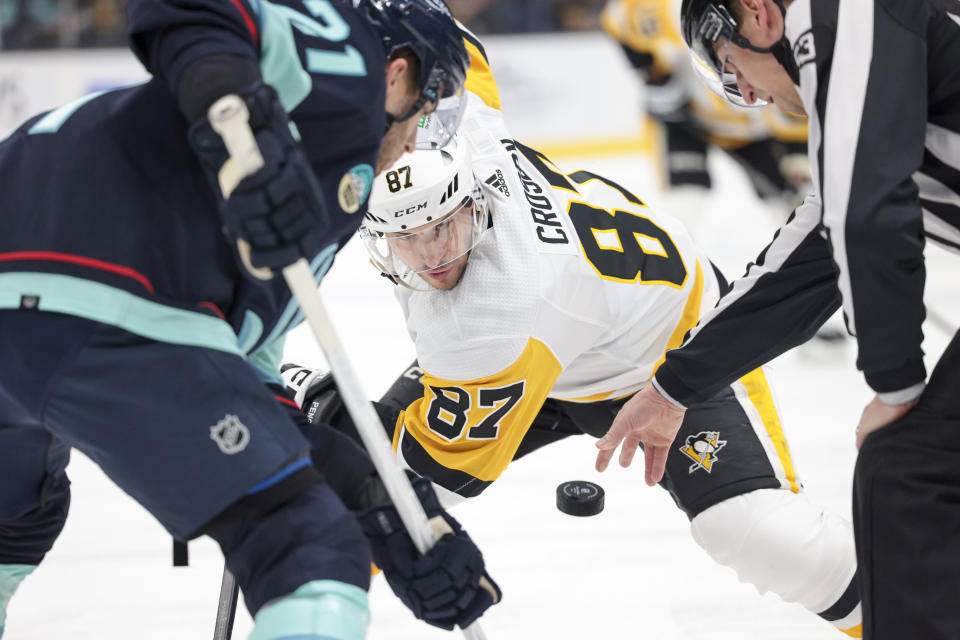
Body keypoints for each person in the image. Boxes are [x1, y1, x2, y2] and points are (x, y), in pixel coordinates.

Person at [282, 77, 864, 636]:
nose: (431, 256)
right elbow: (453, 50)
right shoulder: (473, 132)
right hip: (561, 332)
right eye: (403, 238)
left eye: (443, 228)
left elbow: (430, 476)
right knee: (351, 504)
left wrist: (321, 407)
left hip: (663, 350)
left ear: (474, 203)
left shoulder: (488, 322)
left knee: (757, 534)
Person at [0, 1, 502, 638]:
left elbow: (246, 386)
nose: (420, 131)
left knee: (16, 507)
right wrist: (239, 116)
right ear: (397, 74)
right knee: (306, 553)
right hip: (97, 284)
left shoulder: (320, 212)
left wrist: (384, 503)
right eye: (430, 101)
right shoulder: (342, 62)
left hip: (33, 294)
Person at [598, 0, 960, 638]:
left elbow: (864, 215)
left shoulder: (848, 16)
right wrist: (675, 384)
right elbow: (816, 250)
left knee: (907, 467)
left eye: (731, 68)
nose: (748, 96)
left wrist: (896, 386)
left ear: (758, 15)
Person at [600, 0, 810, 213]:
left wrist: (799, 154)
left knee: (789, 211)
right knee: (684, 204)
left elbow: (795, 108)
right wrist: (657, 79)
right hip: (688, 120)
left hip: (757, 130)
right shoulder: (671, 10)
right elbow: (618, 19)